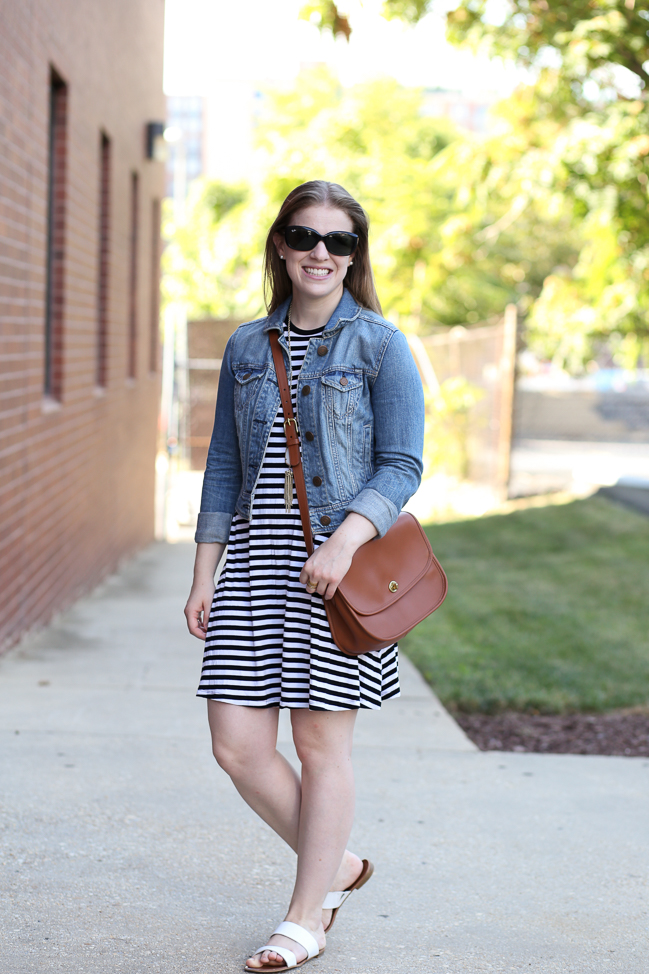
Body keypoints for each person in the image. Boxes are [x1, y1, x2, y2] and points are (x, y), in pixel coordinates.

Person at [184, 180, 424, 971]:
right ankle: (340, 867)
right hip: (253, 563)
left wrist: (345, 542)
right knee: (236, 747)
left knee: (320, 748)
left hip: (334, 572)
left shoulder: (380, 345)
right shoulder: (246, 347)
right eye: (305, 236)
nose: (321, 252)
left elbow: (401, 464)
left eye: (339, 240)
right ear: (281, 247)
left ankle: (303, 918)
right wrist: (203, 574)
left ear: (354, 255)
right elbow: (222, 465)